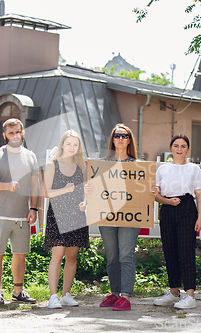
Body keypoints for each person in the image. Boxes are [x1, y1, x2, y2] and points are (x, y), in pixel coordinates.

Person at [0, 118, 39, 305]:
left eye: (18, 132)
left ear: (23, 133)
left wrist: (33, 208)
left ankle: (18, 291)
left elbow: (34, 185)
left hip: (22, 214)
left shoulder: (30, 156)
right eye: (11, 132)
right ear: (5, 135)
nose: (15, 135)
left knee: (20, 254)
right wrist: (7, 185)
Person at [84, 123, 140, 311]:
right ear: (112, 139)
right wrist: (89, 189)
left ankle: (126, 296)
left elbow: (143, 191)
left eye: (124, 136)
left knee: (126, 255)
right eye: (117, 135)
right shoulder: (102, 164)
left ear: (129, 140)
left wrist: (152, 190)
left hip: (130, 215)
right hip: (106, 215)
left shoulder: (137, 165)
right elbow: (95, 189)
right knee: (112, 256)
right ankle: (114, 293)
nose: (121, 139)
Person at [150, 134, 201, 309]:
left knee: (186, 251)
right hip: (167, 209)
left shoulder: (194, 169)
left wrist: (200, 217)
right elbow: (157, 196)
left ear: (187, 149)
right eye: (176, 145)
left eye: (183, 146)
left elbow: (199, 195)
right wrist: (164, 198)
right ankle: (174, 292)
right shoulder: (162, 169)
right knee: (170, 251)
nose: (179, 149)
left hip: (186, 208)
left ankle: (190, 295)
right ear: (171, 147)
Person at [43, 130, 89, 309]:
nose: (72, 147)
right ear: (62, 144)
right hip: (57, 215)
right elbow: (47, 192)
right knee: (57, 255)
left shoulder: (81, 166)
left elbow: (85, 189)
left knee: (72, 257)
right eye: (69, 144)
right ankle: (53, 296)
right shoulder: (52, 165)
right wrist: (66, 190)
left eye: (75, 145)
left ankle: (66, 295)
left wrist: (85, 203)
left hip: (76, 214)